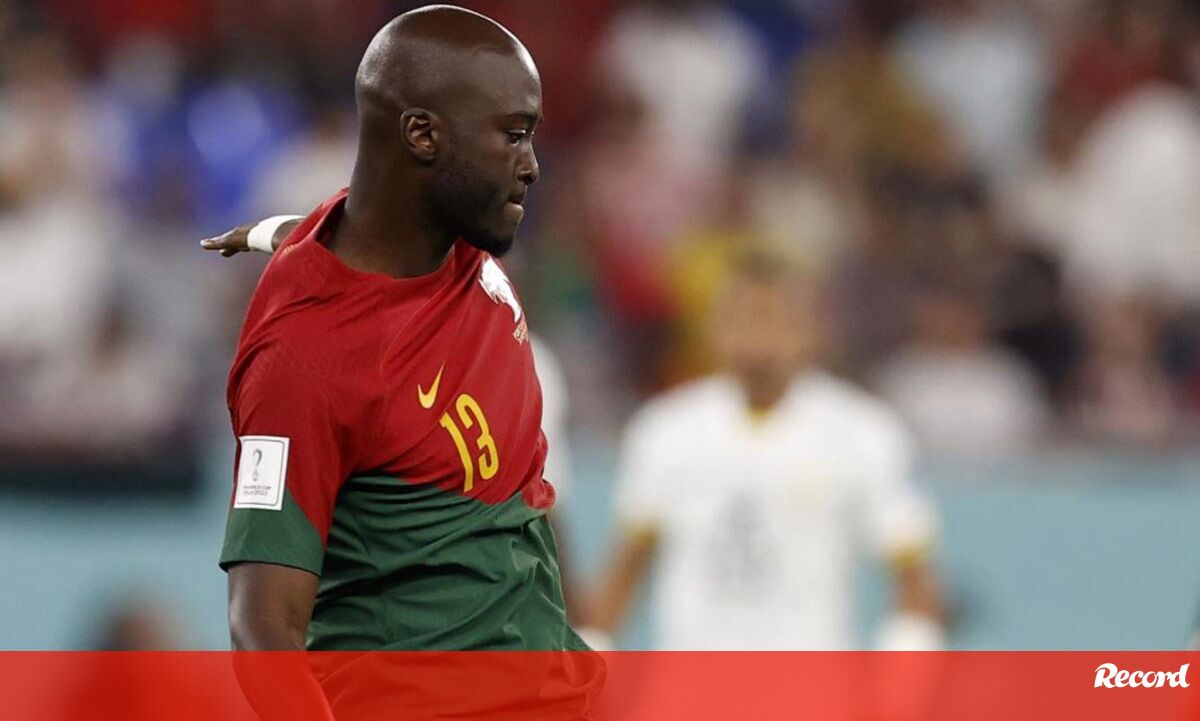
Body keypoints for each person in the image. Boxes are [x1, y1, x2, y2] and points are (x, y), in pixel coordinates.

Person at [200, 6, 597, 719]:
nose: (532, 166)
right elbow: (262, 629)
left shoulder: (453, 236)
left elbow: (343, 232)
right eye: (513, 135)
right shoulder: (305, 360)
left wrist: (268, 232)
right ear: (422, 135)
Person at [584, 250, 945, 651]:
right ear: (714, 328)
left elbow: (912, 573)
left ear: (812, 329)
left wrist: (906, 669)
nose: (758, 337)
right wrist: (589, 652)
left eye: (774, 318)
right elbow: (628, 566)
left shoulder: (864, 433)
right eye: (743, 318)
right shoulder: (666, 430)